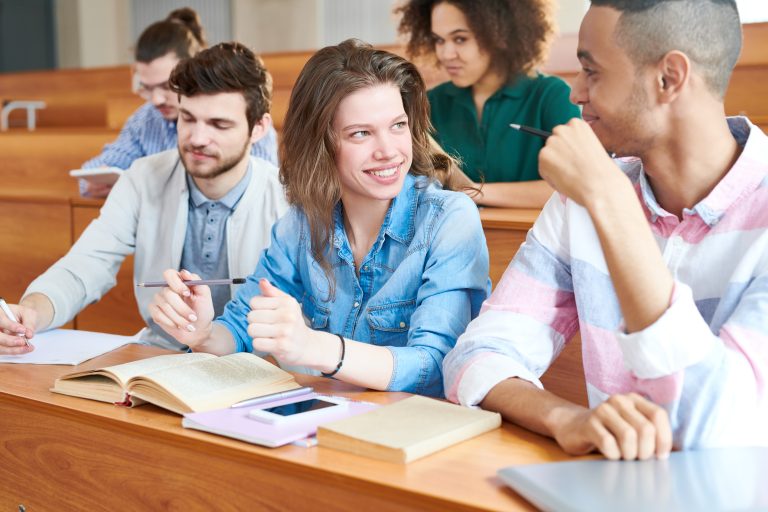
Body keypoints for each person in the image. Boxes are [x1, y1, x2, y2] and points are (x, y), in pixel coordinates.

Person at [444, 0, 768, 459]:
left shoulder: (599, 193)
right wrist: (565, 418)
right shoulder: (582, 200)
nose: (574, 92)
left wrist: (611, 202)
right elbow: (476, 354)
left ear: (669, 78)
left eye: (590, 71)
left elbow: (715, 430)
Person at [149, 39, 490, 397]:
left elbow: (438, 366)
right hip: (336, 425)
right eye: (361, 133)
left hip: (421, 430)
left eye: (397, 126)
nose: (389, 151)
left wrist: (314, 348)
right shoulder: (300, 224)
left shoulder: (449, 219)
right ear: (321, 143)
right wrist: (201, 332)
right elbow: (237, 330)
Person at [0, 42, 288, 354]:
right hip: (161, 355)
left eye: (219, 125)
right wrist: (33, 310)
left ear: (259, 128)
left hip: (256, 365)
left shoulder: (287, 199)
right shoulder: (143, 176)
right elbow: (89, 262)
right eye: (188, 118)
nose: (197, 138)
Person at [397, 0, 581, 208]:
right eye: (439, 40)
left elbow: (576, 186)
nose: (446, 54)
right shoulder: (431, 102)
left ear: (500, 34)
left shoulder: (551, 96)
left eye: (460, 39)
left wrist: (472, 192)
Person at [79, 7, 279, 198]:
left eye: (167, 86)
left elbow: (259, 191)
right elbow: (94, 171)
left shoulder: (247, 122)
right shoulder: (144, 119)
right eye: (146, 88)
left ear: (190, 72)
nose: (156, 100)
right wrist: (95, 182)